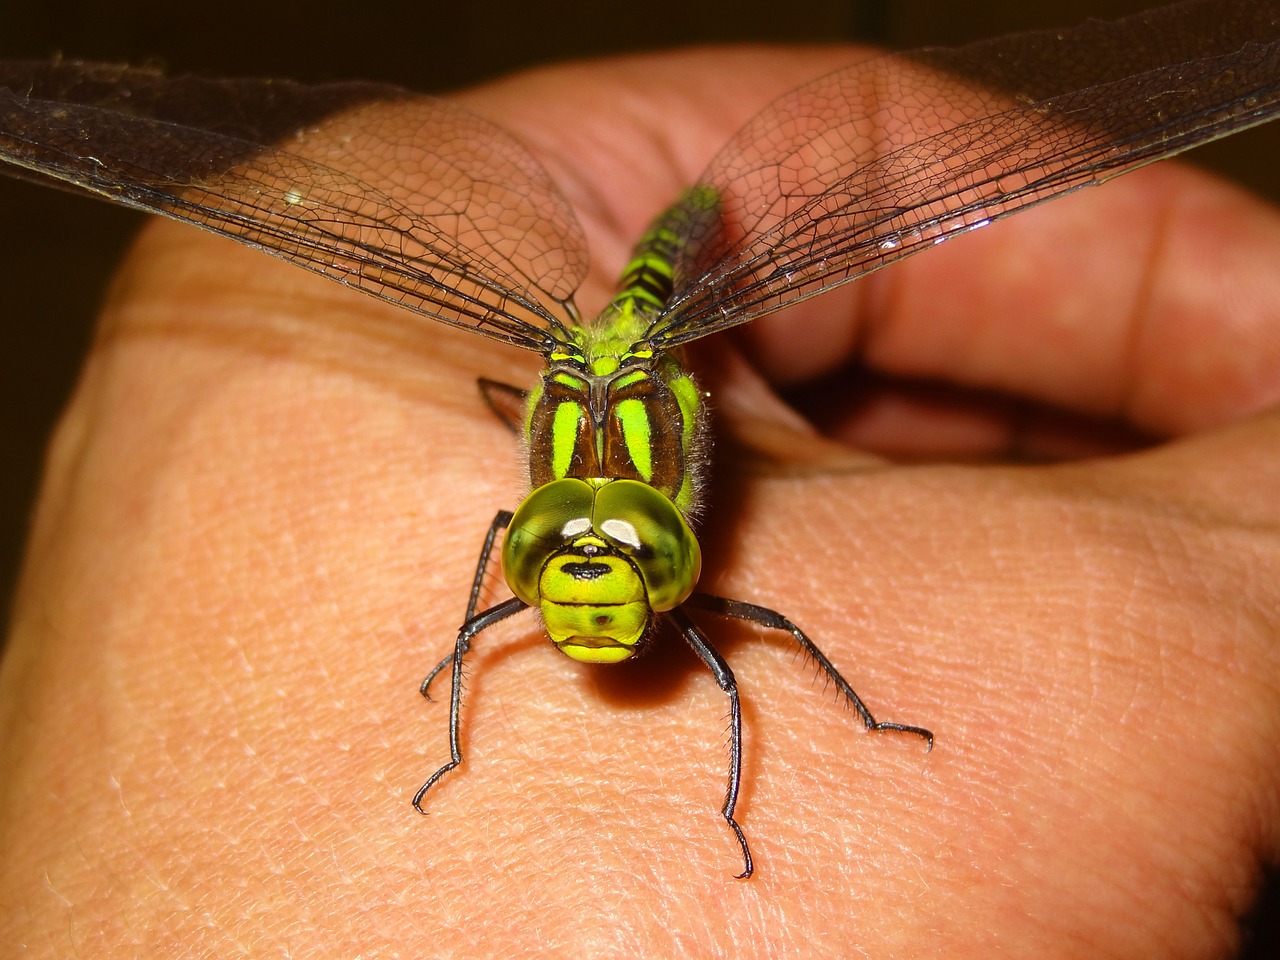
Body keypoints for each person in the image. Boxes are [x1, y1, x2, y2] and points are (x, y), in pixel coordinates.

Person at [1, 47, 1277, 958]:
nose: (588, 585)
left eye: (630, 551)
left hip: (687, 258)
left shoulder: (673, 477)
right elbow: (509, 534)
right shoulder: (536, 534)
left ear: (680, 517)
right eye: (565, 558)